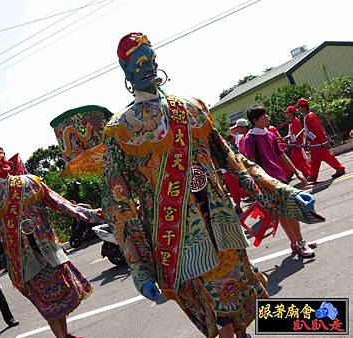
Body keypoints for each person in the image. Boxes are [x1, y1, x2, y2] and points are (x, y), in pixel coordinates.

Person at [102, 32, 322, 338]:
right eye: (139, 61)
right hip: (176, 240)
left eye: (151, 58)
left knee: (245, 308)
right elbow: (118, 205)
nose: (149, 65)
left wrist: (285, 192)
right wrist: (140, 267)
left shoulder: (192, 108)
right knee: (217, 321)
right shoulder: (120, 130)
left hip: (222, 227)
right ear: (125, 70)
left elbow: (235, 162)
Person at [0, 145, 102, 338]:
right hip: (22, 260)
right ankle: (62, 337)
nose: (0, 162)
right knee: (45, 303)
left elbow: (61, 203)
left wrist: (91, 214)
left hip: (48, 250)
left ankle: (63, 335)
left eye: (1, 158)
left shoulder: (30, 182)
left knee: (60, 296)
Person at [244, 105, 316, 258]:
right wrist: (257, 185)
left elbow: (281, 155)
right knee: (288, 210)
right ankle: (300, 243)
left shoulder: (269, 135)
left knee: (285, 212)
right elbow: (250, 163)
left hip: (280, 178)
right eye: (263, 116)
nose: (267, 117)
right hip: (266, 182)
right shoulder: (250, 138)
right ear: (255, 120)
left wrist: (297, 172)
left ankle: (295, 243)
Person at [297, 98, 345, 182]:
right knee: (315, 160)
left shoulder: (310, 116)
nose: (298, 109)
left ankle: (340, 168)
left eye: (299, 107)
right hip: (315, 143)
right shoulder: (307, 117)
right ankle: (313, 176)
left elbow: (316, 129)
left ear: (304, 107)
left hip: (318, 143)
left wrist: (309, 139)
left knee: (327, 157)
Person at [282, 106, 311, 178]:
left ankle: (307, 173)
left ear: (291, 113)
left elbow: (298, 134)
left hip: (296, 144)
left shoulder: (296, 121)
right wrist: (287, 137)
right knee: (300, 160)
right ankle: (309, 173)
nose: (286, 114)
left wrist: (288, 138)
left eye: (287, 113)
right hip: (293, 144)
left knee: (296, 161)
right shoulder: (291, 122)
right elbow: (292, 133)